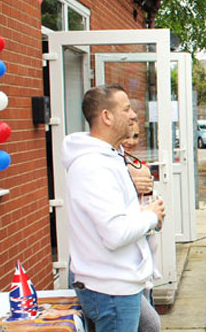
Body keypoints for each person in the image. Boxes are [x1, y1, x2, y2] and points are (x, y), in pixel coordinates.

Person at [64, 85, 165, 332]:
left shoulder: (110, 157)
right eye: (126, 108)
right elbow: (115, 233)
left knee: (151, 325)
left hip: (119, 283)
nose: (133, 115)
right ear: (107, 116)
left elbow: (117, 217)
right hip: (110, 289)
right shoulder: (94, 166)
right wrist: (151, 216)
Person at [116, 121, 161, 332]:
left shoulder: (138, 166)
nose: (131, 142)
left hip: (144, 257)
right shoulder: (113, 168)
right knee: (150, 324)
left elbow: (151, 208)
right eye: (127, 137)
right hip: (122, 268)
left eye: (135, 137)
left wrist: (156, 216)